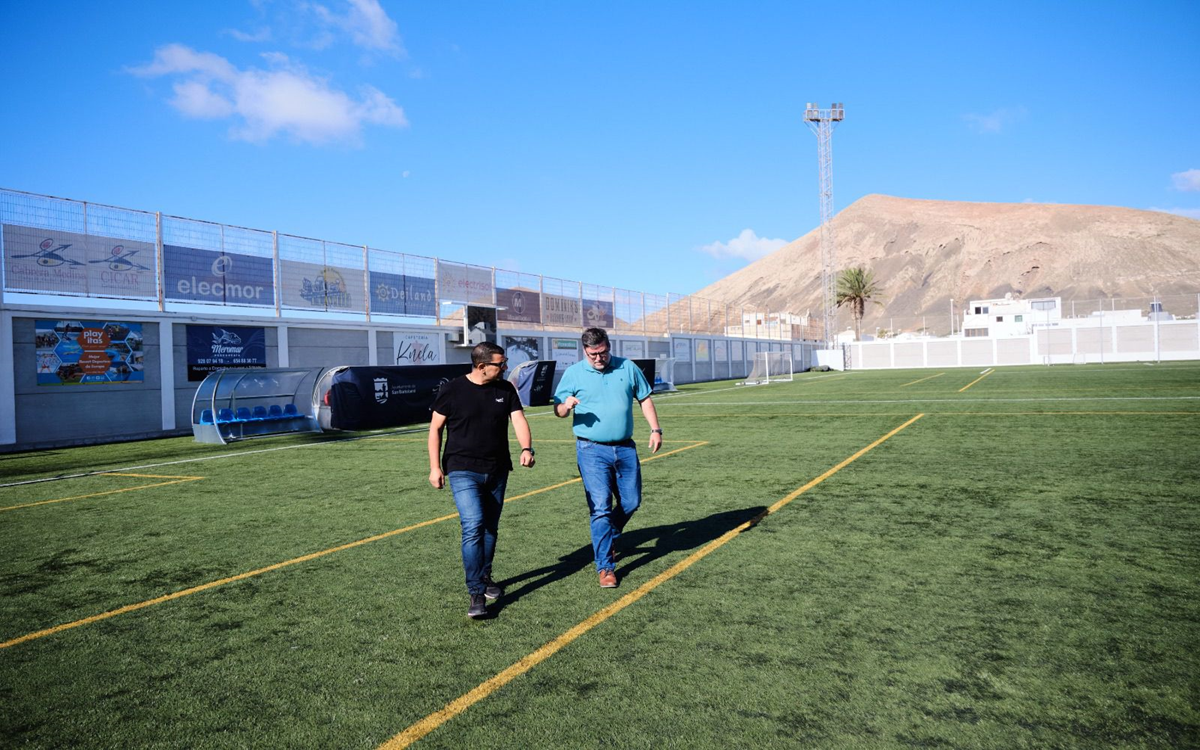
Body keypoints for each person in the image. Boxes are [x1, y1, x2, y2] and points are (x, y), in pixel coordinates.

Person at [429, 342, 535, 618]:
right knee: (473, 524)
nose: (505, 367)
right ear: (481, 366)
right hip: (462, 468)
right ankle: (476, 591)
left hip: (498, 468)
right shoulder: (452, 389)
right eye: (501, 363)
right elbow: (435, 429)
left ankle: (485, 575)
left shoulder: (506, 389)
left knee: (490, 528)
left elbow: (519, 419)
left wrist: (526, 448)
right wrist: (434, 467)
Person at [553, 327, 663, 588]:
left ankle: (608, 538)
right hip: (591, 450)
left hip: (625, 447)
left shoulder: (627, 367)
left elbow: (645, 399)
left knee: (632, 501)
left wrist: (656, 429)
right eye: (593, 355)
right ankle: (606, 567)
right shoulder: (573, 373)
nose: (599, 359)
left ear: (608, 346)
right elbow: (557, 410)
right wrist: (565, 406)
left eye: (603, 353)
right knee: (600, 507)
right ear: (584, 351)